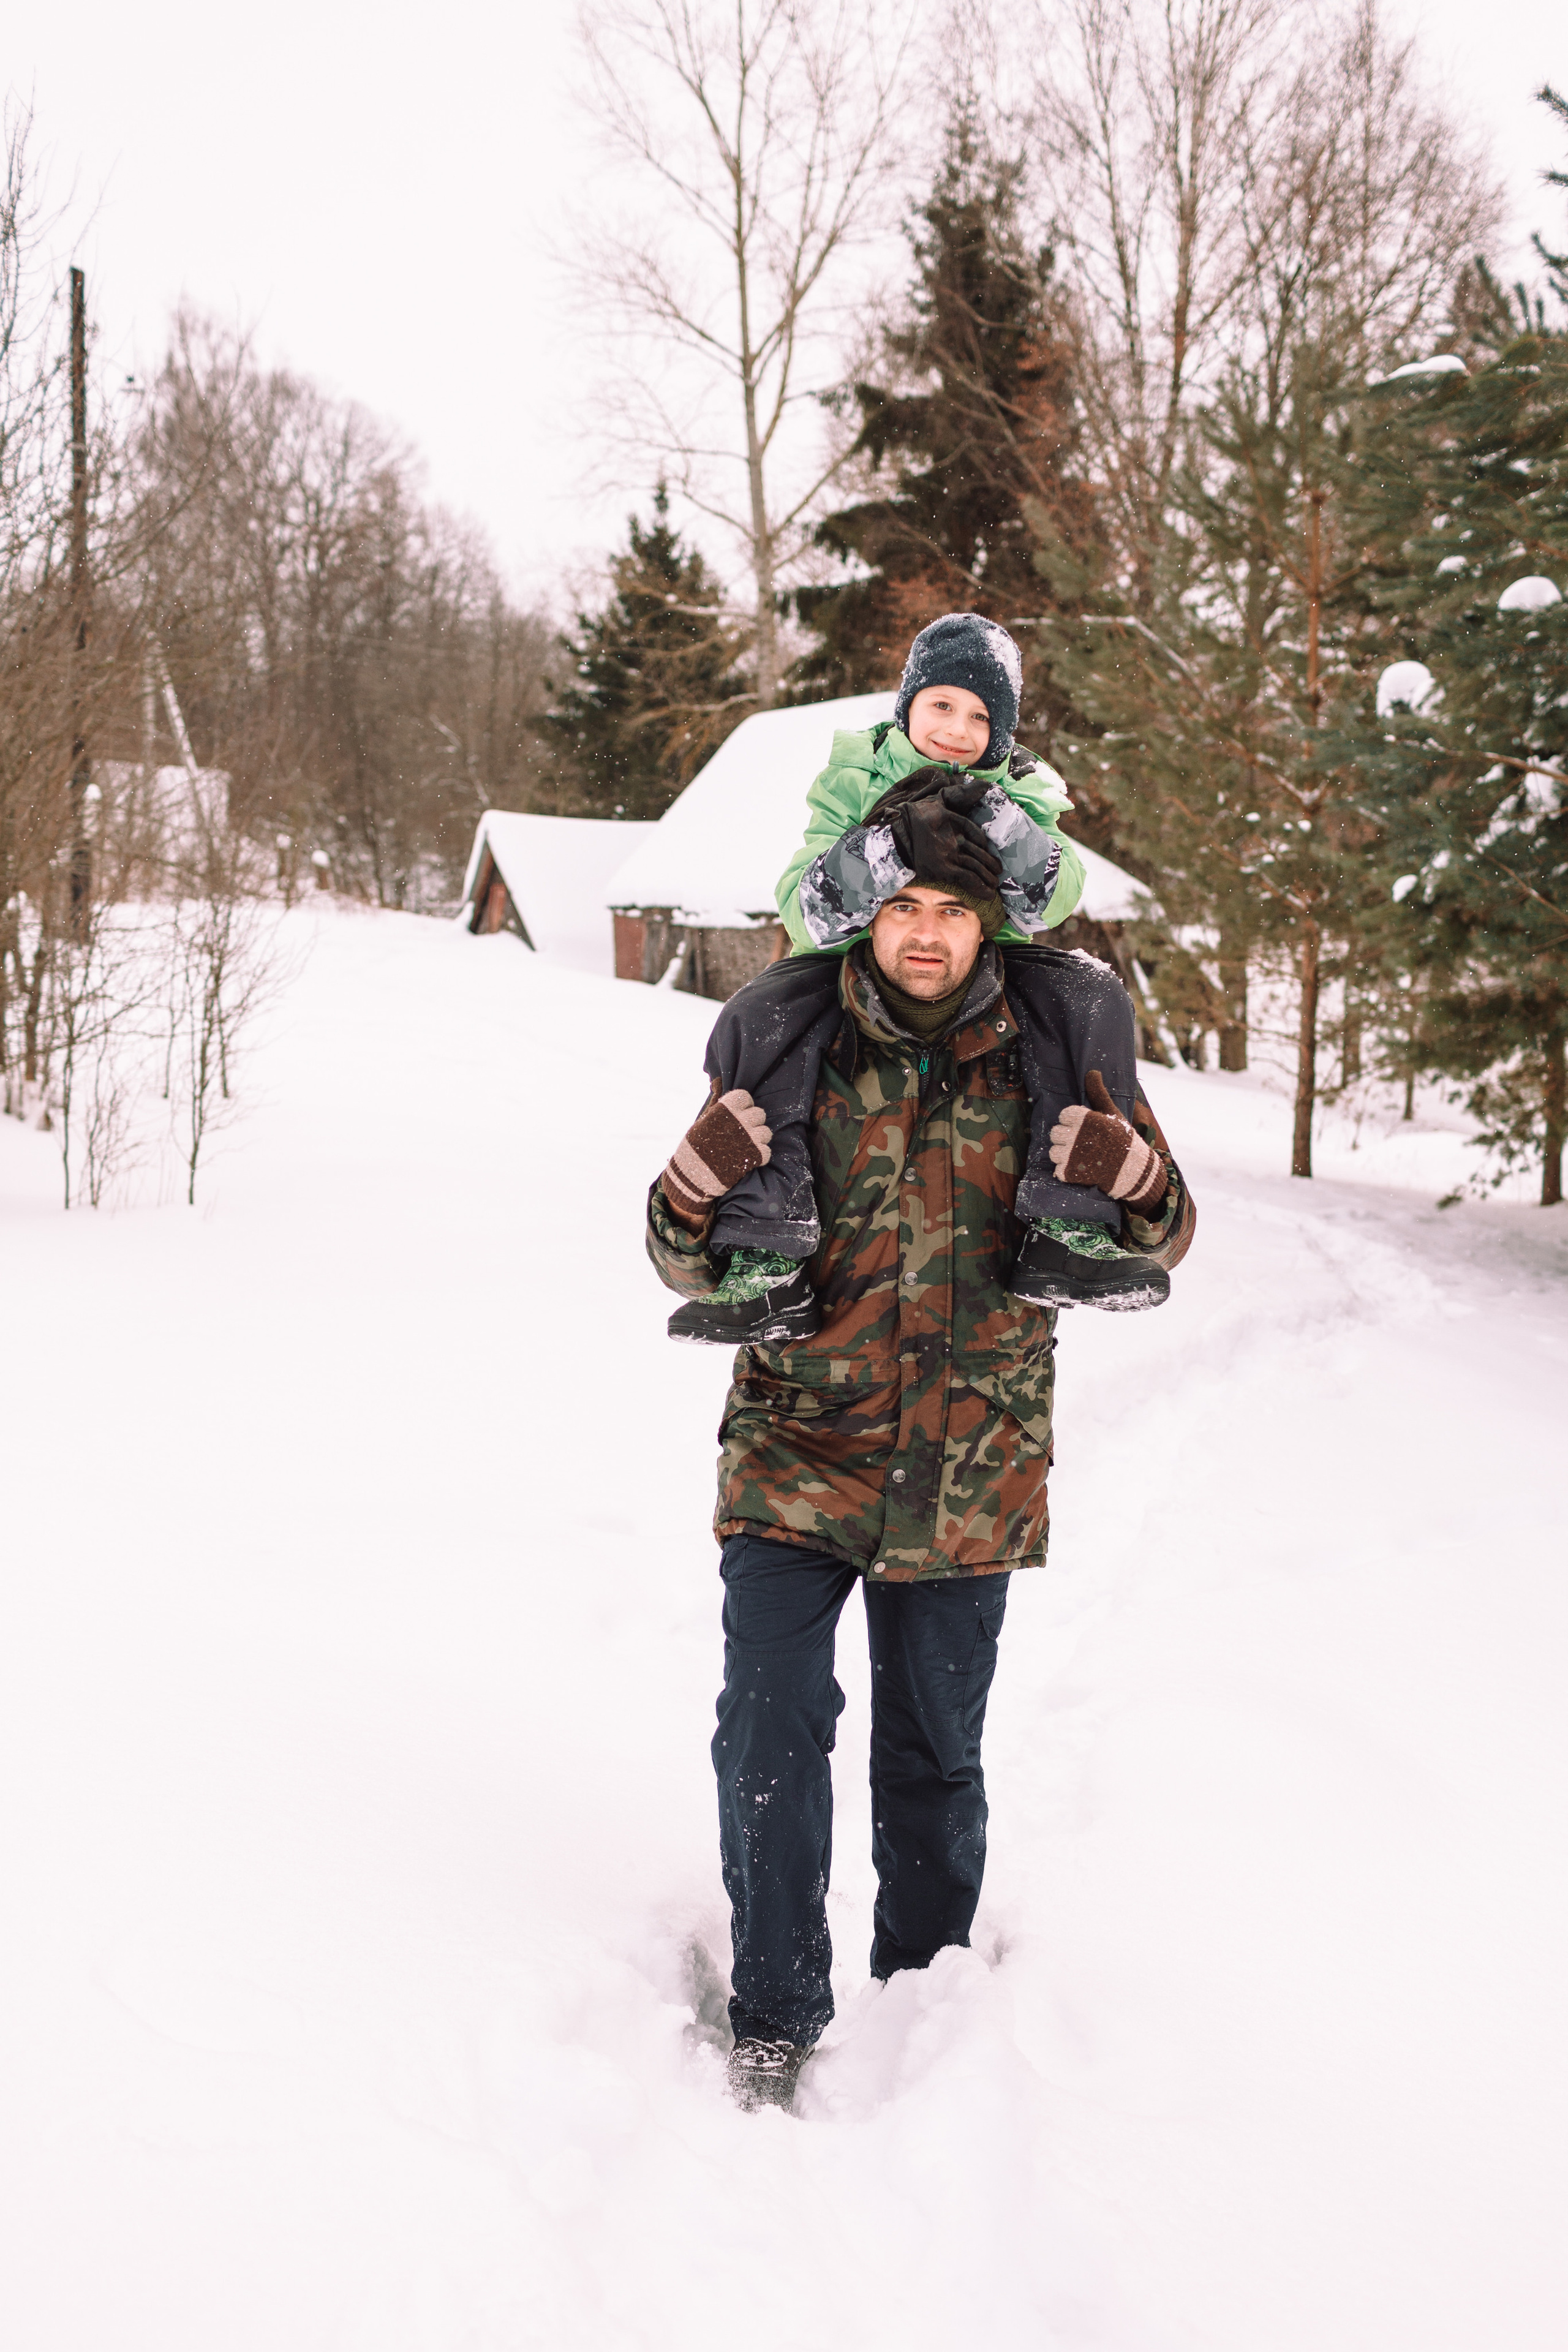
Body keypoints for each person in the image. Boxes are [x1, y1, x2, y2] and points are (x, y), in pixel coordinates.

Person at [647, 873, 1196, 2111]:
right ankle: (778, 2006)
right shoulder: (794, 1043)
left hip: (968, 1465)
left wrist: (1133, 1173)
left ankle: (927, 1989)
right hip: (795, 1452)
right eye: (904, 909)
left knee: (935, 1754)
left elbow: (1160, 1232)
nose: (928, 934)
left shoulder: (1052, 1051)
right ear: (865, 919)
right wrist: (688, 1185)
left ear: (982, 923)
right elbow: (685, 1253)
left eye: (951, 910)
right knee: (768, 1733)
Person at [662, 612, 1167, 1346]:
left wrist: (1001, 823)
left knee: (1088, 994)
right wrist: (887, 846)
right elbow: (803, 912)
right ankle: (764, 1247)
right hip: (857, 962)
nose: (959, 730)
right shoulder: (857, 774)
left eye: (981, 716)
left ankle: (1069, 1223)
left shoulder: (1020, 788)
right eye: (941, 705)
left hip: (988, 971)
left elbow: (1055, 899)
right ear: (907, 708)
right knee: (765, 1009)